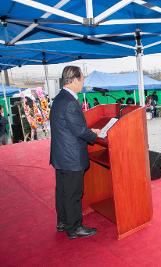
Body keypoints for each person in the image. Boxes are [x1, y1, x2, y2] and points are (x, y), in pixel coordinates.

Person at [50, 66, 101, 239]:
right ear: (74, 80)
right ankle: (75, 228)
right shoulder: (70, 101)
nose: (83, 82)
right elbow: (79, 131)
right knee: (73, 194)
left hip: (60, 155)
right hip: (71, 157)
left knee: (63, 191)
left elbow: (70, 127)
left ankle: (63, 222)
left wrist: (86, 130)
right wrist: (93, 134)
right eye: (82, 78)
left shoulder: (59, 98)